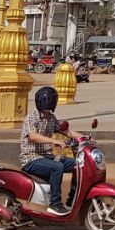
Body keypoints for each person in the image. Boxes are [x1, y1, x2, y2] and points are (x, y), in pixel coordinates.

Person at [20, 86, 73, 214]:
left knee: (78, 165)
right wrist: (54, 141)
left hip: (47, 158)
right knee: (57, 167)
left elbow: (66, 131)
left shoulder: (51, 118)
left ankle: (72, 200)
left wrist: (84, 138)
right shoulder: (32, 117)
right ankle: (55, 204)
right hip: (31, 159)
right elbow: (33, 136)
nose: (47, 102)